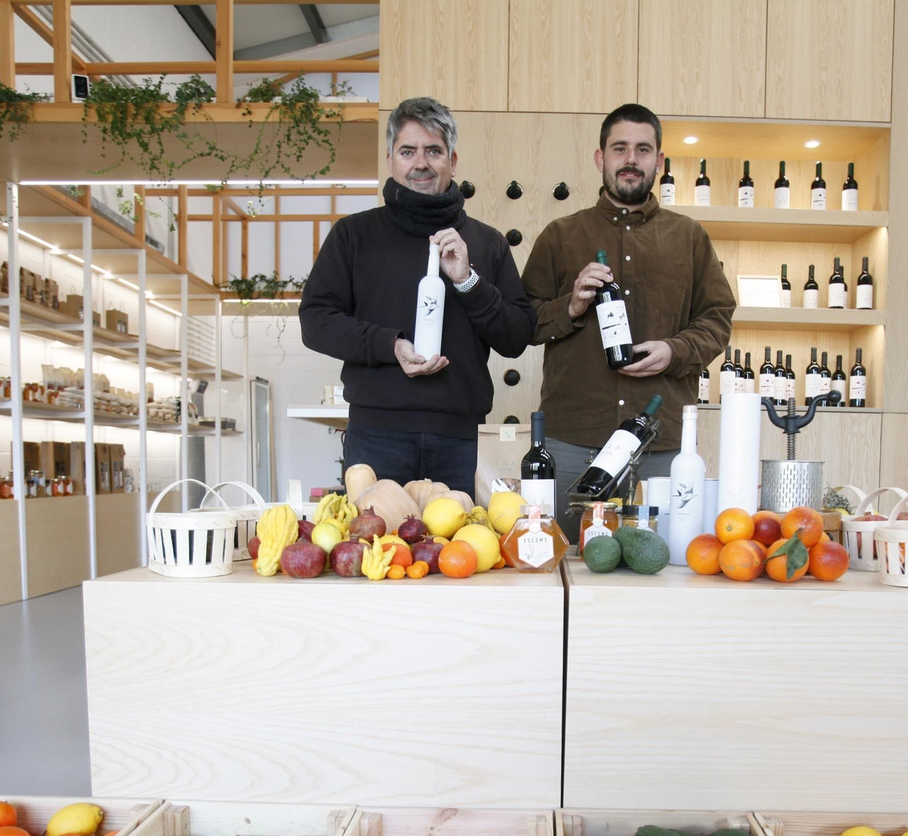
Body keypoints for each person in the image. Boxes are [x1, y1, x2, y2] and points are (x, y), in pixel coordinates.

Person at [299, 97, 535, 498]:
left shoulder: (487, 242)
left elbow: (517, 336)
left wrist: (468, 281)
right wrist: (389, 345)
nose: (420, 163)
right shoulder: (353, 235)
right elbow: (315, 321)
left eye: (434, 151)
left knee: (466, 541)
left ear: (453, 162)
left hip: (463, 441)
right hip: (377, 436)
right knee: (375, 541)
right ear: (390, 160)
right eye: (408, 151)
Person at [522, 103, 735, 534]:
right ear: (600, 158)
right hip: (572, 443)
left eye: (643, 149)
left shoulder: (690, 237)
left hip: (661, 444)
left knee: (660, 562)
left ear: (659, 161)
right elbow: (524, 321)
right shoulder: (560, 236)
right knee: (562, 561)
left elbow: (717, 318)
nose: (631, 159)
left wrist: (675, 351)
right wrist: (570, 306)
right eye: (620, 148)